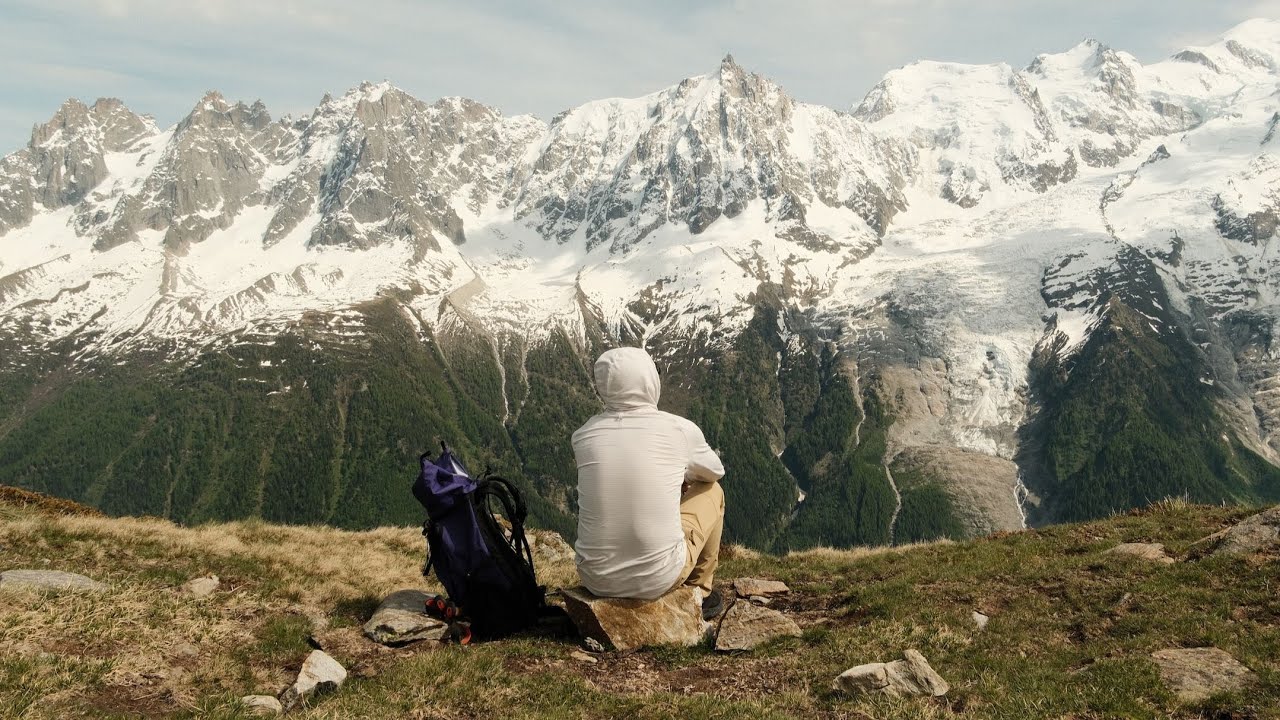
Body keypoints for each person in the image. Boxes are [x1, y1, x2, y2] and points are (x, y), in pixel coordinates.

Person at [571, 346, 726, 619]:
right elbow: (715, 472)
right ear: (650, 381)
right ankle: (698, 591)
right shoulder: (679, 429)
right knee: (713, 491)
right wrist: (682, 475)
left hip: (594, 577)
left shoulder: (583, 435)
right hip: (658, 577)